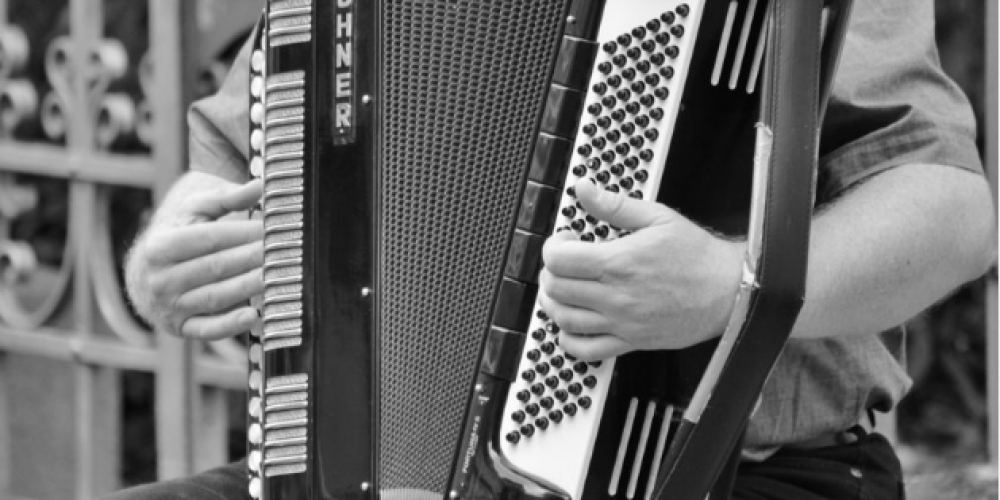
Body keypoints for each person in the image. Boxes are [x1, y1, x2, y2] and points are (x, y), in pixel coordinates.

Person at [107, 0, 995, 498]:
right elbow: (231, 166)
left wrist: (733, 286)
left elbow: (952, 211)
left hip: (729, 477)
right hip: (369, 475)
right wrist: (167, 261)